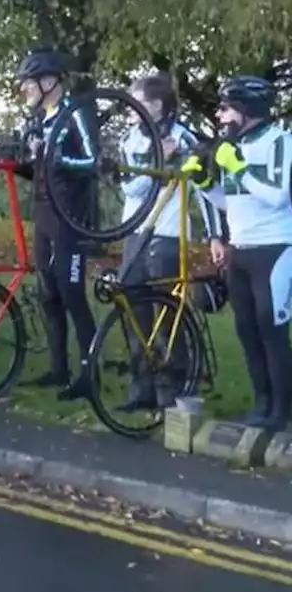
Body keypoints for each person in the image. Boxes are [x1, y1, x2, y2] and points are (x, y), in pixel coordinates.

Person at [184, 76, 292, 430]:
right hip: (241, 249)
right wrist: (204, 184)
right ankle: (261, 403)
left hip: (275, 248)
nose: (219, 115)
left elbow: (276, 195)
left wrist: (238, 167)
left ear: (247, 109)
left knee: (270, 329)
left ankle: (282, 410)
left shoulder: (280, 141)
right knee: (246, 329)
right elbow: (232, 204)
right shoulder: (233, 147)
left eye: (226, 107)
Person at [118, 75, 224, 410]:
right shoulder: (128, 138)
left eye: (138, 102)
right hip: (135, 231)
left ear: (157, 105)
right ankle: (141, 386)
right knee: (131, 305)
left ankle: (172, 388)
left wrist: (214, 235)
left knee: (165, 311)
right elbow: (130, 188)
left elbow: (203, 188)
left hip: (168, 232)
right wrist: (156, 159)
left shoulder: (183, 137)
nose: (130, 111)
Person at [8, 45, 100, 400]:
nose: (23, 89)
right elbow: (39, 171)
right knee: (48, 294)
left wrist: (55, 155)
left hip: (70, 217)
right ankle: (58, 368)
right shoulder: (37, 120)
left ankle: (89, 376)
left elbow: (93, 162)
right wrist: (15, 164)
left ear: (49, 81)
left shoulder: (74, 113)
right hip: (44, 214)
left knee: (73, 295)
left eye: (28, 82)